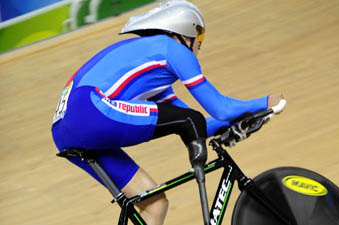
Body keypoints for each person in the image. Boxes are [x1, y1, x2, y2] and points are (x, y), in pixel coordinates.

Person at [51, 1, 285, 224]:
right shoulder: (172, 48)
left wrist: (234, 123)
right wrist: (265, 103)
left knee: (155, 205)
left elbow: (204, 122)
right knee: (188, 120)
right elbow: (219, 108)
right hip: (89, 109)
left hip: (67, 127)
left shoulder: (153, 70)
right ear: (184, 32)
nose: (199, 45)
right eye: (199, 36)